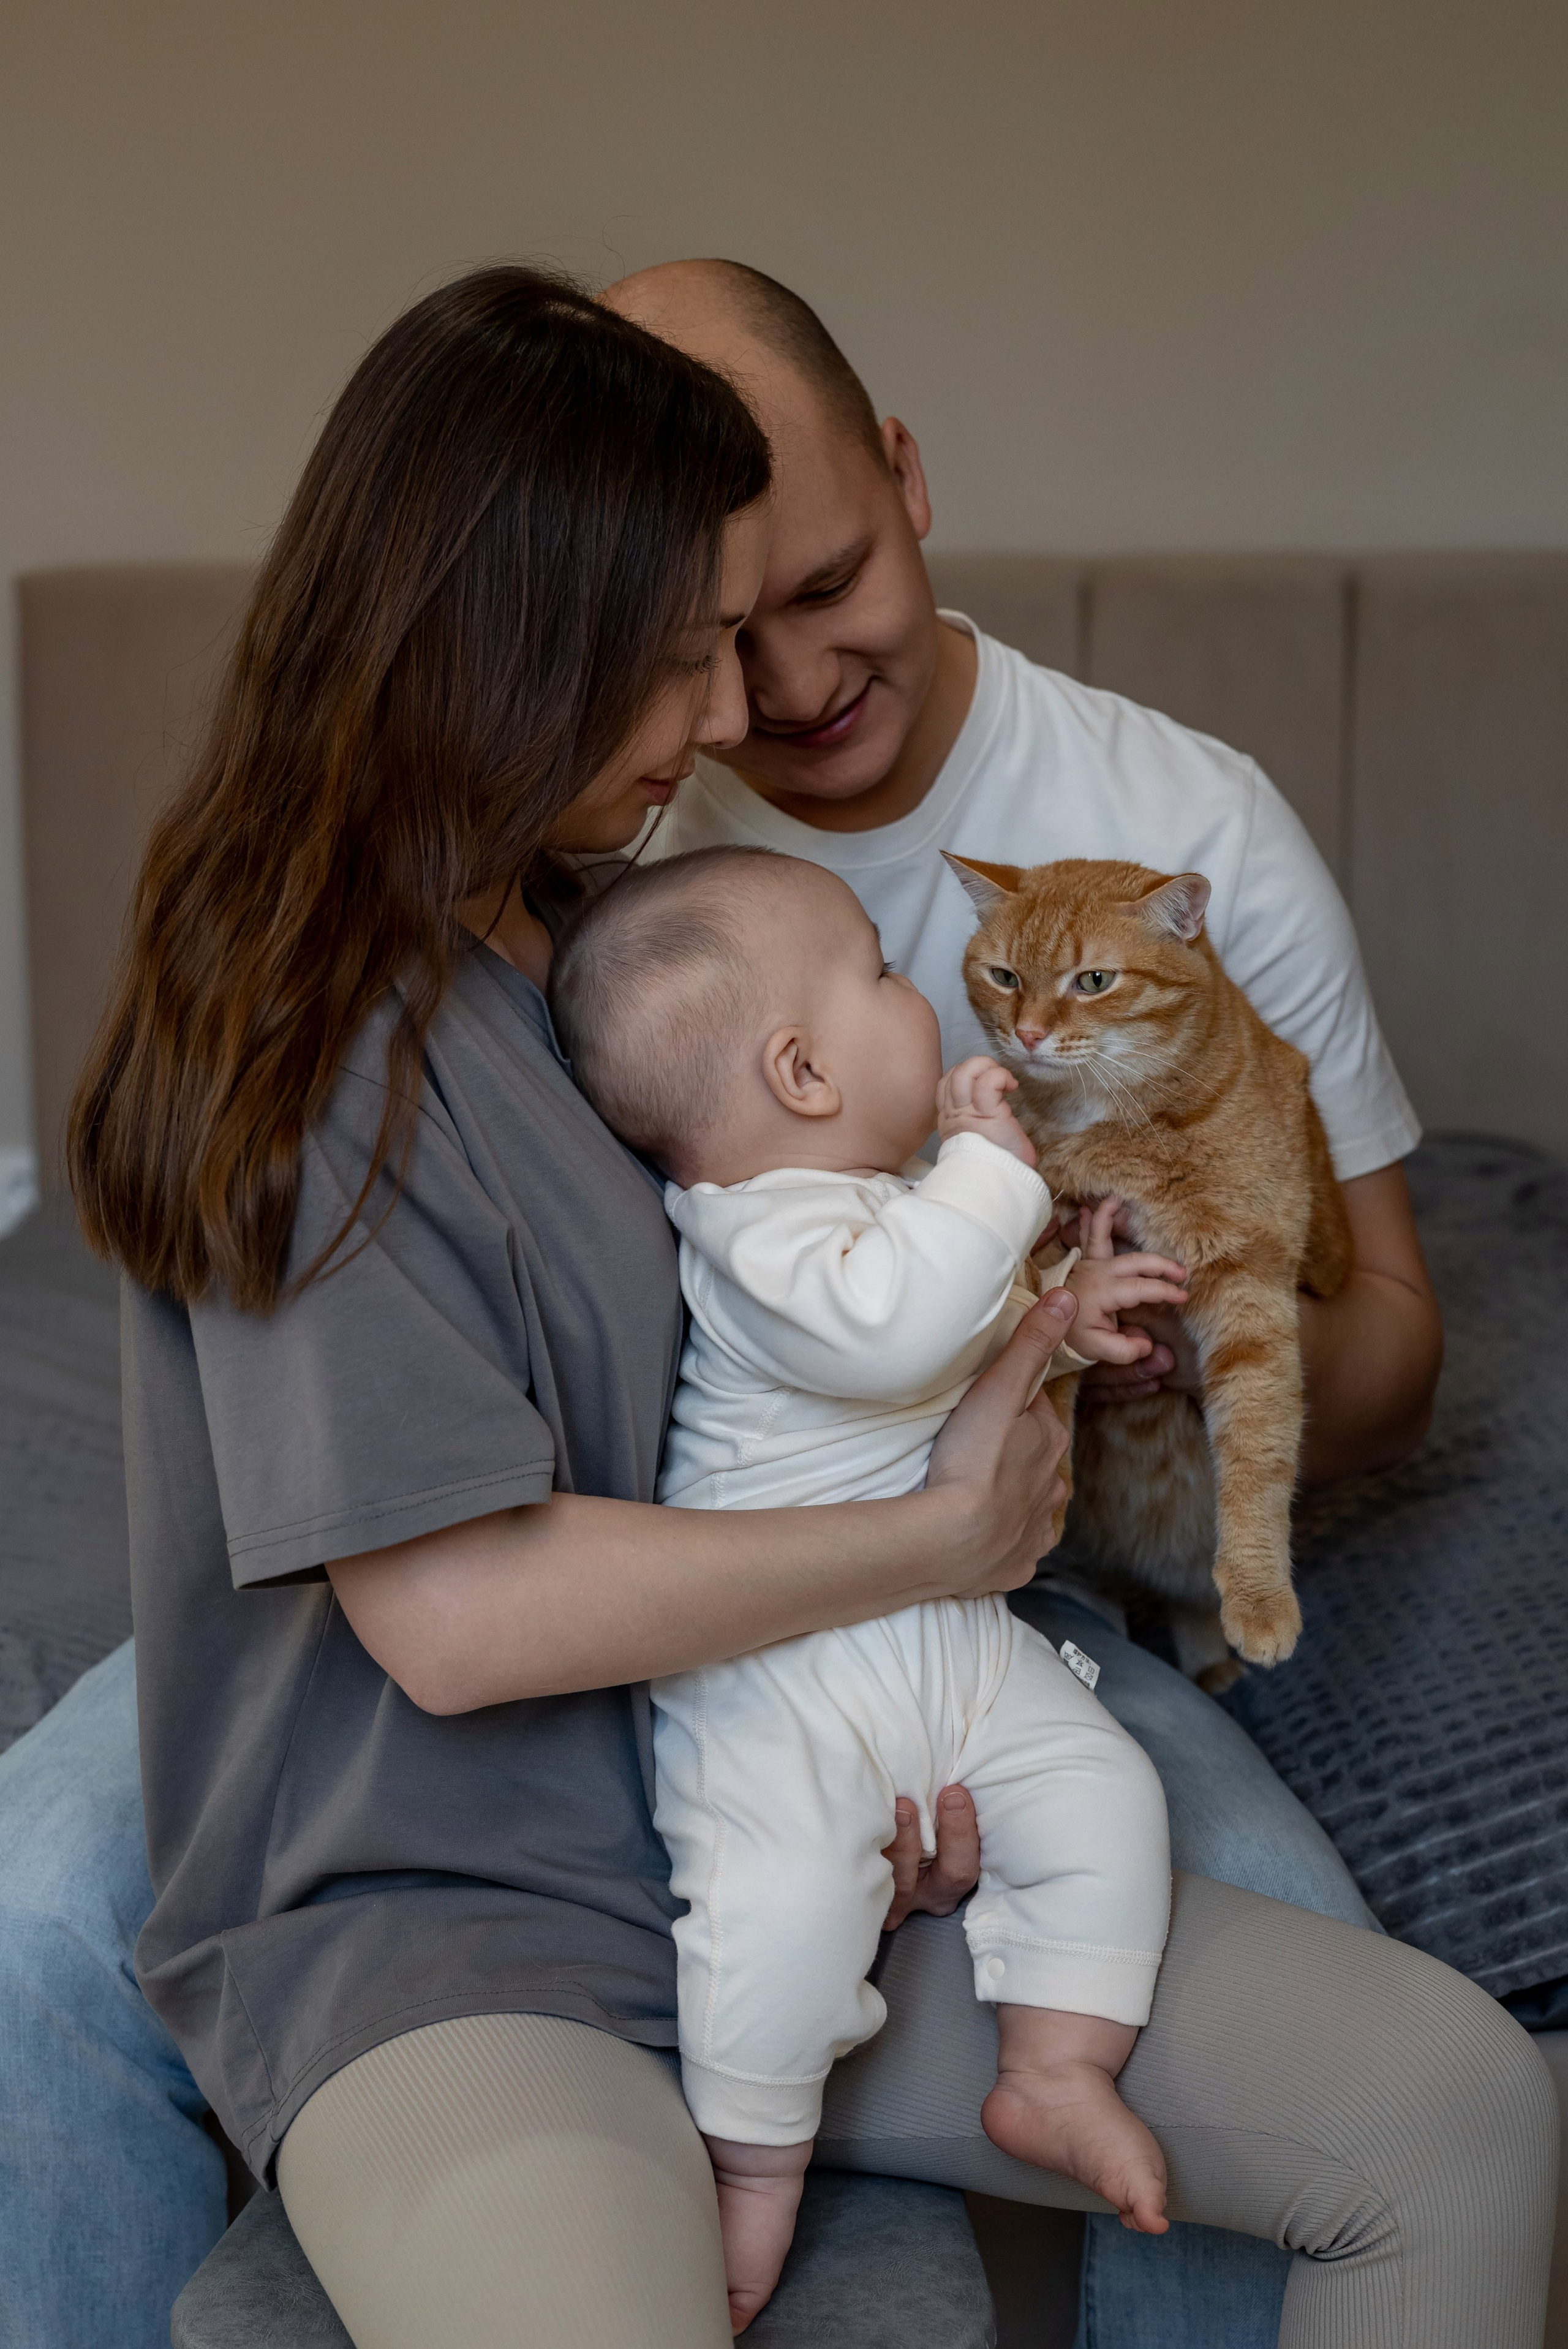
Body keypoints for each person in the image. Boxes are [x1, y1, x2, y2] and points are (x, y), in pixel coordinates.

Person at [0, 262, 1551, 2349]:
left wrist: (884, 1700)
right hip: (467, 1932)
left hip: (748, 1803)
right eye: (676, 660)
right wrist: (927, 1546)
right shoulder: (314, 1036)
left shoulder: (585, 950)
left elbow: (758, 1373)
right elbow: (452, 1618)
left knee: (1452, 2106)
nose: (730, 716)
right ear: (512, 646)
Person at [598, 255, 1452, 2343]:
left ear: (906, 477)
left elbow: (1403, 1340)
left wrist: (1194, 1345)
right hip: (674, 1582)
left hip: (1036, 1588)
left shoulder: (1191, 824)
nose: (788, 683)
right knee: (50, 1897)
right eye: (714, 631)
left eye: (831, 577)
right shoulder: (612, 838)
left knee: (1334, 2037)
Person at [550, 844, 1188, 2324]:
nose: (928, 998)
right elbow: (893, 1334)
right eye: (887, 976)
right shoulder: (757, 1235)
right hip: (783, 1677)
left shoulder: (889, 1204)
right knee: (771, 1918)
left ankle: (1052, 2066)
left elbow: (958, 1348)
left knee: (1105, 1793)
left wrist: (1055, 1316)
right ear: (800, 1070)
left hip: (947, 1639)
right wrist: (993, 1166)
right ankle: (750, 2174)